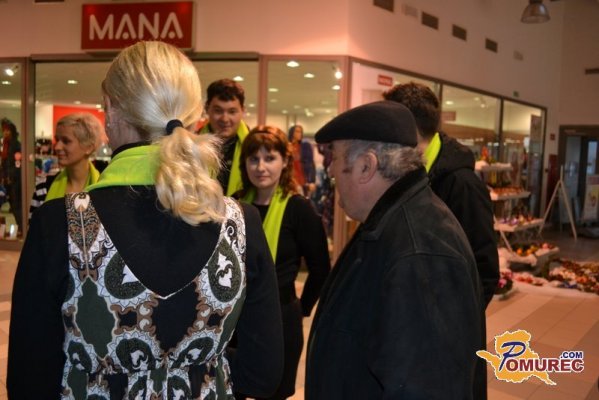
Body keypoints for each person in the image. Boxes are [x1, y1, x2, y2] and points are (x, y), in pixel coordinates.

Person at [8, 41, 283, 399]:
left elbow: (28, 380)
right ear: (195, 116)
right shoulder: (240, 223)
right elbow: (262, 374)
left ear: (111, 108)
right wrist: (202, 368)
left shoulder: (59, 223)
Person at [305, 101, 483, 399]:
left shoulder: (420, 251)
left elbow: (428, 388)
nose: (331, 170)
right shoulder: (390, 221)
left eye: (334, 157)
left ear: (366, 166)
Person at [383, 82, 498, 399]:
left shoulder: (461, 183)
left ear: (406, 127)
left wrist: (447, 322)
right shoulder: (408, 174)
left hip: (445, 339)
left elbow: (486, 271)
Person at [236, 126, 330, 400]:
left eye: (270, 158)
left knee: (274, 393)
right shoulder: (235, 205)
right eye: (254, 159)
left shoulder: (299, 208)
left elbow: (320, 268)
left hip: (281, 319)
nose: (261, 167)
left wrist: (301, 308)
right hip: (237, 320)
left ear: (285, 161)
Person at [29, 112, 105, 220]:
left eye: (66, 141)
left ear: (88, 147)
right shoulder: (43, 187)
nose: (57, 147)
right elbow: (33, 228)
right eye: (57, 140)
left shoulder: (104, 189)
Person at [199, 78, 250, 196]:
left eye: (232, 112)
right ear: (207, 109)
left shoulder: (254, 148)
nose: (225, 119)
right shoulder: (190, 147)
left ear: (243, 111)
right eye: (218, 111)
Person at [1, 118, 22, 234]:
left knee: (16, 205)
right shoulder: (6, 144)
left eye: (7, 130)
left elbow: (18, 163)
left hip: (15, 180)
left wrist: (12, 176)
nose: (5, 133)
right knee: (13, 206)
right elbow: (5, 163)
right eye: (4, 130)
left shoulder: (15, 145)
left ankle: (22, 227)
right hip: (8, 180)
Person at [287, 124, 315, 196]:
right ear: (292, 133)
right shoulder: (287, 146)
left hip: (302, 179)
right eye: (297, 131)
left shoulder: (305, 147)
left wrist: (311, 181)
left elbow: (310, 164)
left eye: (300, 132)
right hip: (290, 179)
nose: (299, 134)